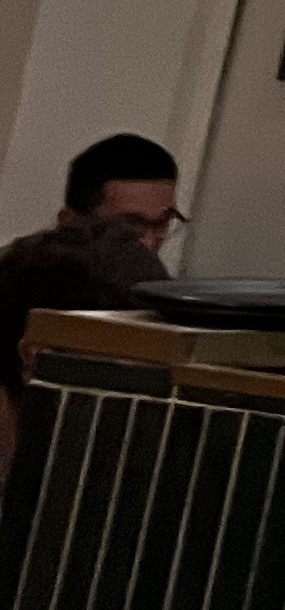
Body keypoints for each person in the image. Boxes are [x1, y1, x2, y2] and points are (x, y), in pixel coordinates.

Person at [0, 133, 182, 481]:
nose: (149, 241)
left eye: (162, 223)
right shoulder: (24, 280)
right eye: (130, 225)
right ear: (69, 220)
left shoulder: (151, 295)